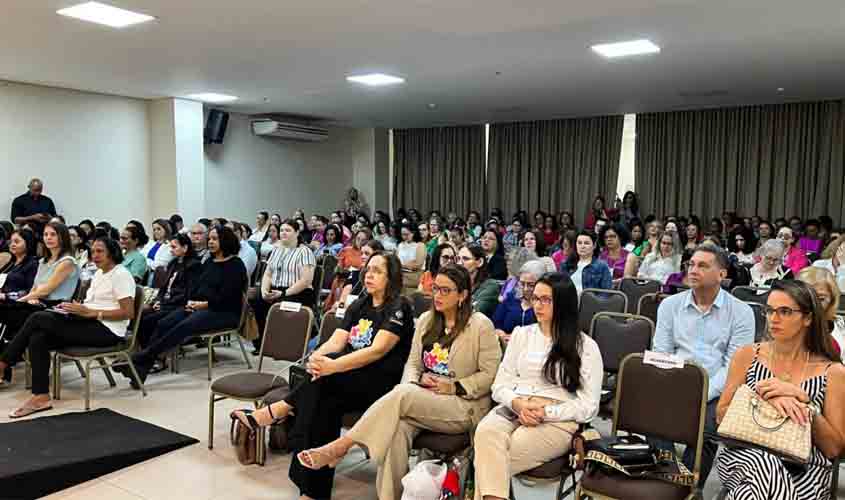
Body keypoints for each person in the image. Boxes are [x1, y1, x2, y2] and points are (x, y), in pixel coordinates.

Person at [286, 264, 500, 499]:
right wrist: (412, 383)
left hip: (462, 404)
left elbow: (489, 374)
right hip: (421, 398)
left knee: (402, 395)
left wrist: (454, 386)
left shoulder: (480, 325)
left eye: (445, 291)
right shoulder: (429, 320)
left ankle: (341, 446)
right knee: (396, 429)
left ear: (463, 295)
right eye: (435, 288)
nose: (437, 295)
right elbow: (413, 364)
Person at [231, 252, 415, 499]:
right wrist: (318, 356)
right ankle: (312, 490)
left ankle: (278, 411)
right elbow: (338, 340)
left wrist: (331, 366)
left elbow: (376, 351)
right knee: (320, 404)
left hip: (379, 383)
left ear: (391, 277)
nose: (369, 275)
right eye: (368, 269)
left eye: (378, 271)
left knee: (323, 383)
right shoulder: (360, 304)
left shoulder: (398, 307)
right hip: (345, 377)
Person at [475, 272, 603, 500]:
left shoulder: (586, 347)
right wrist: (518, 404)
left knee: (491, 459)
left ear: (563, 304)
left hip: (558, 418)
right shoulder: (521, 335)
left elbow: (589, 406)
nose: (538, 305)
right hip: (516, 406)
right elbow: (499, 385)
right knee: (485, 433)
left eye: (546, 299)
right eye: (535, 298)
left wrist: (546, 413)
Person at [715, 280, 844, 499]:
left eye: (785, 311)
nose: (773, 319)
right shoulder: (748, 355)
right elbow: (721, 415)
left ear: (808, 318)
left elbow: (833, 449)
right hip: (743, 456)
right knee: (764, 463)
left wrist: (805, 404)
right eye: (770, 310)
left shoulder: (833, 372)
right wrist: (769, 400)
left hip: (806, 469)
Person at [653, 245, 755, 486]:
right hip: (673, 380)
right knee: (649, 408)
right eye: (691, 265)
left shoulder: (741, 312)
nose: (693, 270)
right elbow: (662, 353)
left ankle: (689, 486)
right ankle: (667, 478)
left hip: (717, 388)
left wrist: (701, 393)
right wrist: (675, 388)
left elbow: (733, 366)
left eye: (703, 265)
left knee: (707, 427)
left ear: (721, 274)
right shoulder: (669, 305)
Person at [0, 237, 135, 413]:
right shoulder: (100, 274)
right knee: (38, 337)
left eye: (100, 251)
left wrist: (92, 313)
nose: (95, 255)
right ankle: (41, 396)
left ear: (113, 253)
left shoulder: (121, 275)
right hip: (89, 320)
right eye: (93, 251)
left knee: (38, 318)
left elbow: (128, 313)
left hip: (108, 330)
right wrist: (76, 309)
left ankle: (3, 364)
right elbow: (91, 306)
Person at [122, 226, 248, 385]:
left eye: (215, 239)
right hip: (201, 306)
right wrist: (192, 302)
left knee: (184, 326)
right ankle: (142, 368)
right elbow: (198, 288)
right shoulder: (210, 261)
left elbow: (228, 298)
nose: (210, 242)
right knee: (164, 322)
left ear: (226, 240)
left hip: (224, 312)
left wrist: (202, 304)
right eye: (209, 238)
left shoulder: (235, 265)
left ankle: (142, 358)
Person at [0, 223, 80, 339]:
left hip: (54, 306)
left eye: (53, 234)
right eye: (45, 234)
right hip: (38, 303)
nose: (48, 237)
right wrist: (31, 297)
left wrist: (22, 300)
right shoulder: (43, 261)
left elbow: (46, 290)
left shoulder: (67, 262)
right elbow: (35, 286)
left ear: (62, 237)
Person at [251, 219, 316, 351]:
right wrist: (264, 291)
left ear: (297, 232)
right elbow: (268, 274)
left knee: (282, 303)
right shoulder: (277, 250)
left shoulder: (304, 252)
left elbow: (306, 280)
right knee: (256, 300)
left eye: (288, 230)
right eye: (281, 230)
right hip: (276, 289)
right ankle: (262, 344)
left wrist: (284, 293)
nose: (283, 233)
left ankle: (284, 345)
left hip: (298, 292)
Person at [135, 234, 202, 351]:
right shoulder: (173, 263)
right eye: (170, 247)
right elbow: (163, 288)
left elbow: (188, 293)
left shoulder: (194, 266)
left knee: (152, 321)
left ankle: (154, 354)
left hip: (179, 305)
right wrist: (158, 300)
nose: (171, 251)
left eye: (174, 247)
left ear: (185, 248)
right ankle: (145, 351)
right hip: (166, 302)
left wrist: (164, 303)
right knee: (140, 317)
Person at [492, 259, 544, 344]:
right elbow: (495, 323)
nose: (525, 289)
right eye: (522, 283)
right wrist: (500, 333)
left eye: (531, 285)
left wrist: (516, 337)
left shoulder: (545, 304)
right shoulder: (511, 298)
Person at [559, 231, 613, 295]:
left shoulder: (602, 266)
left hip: (590, 303)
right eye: (579, 243)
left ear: (594, 245)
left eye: (586, 243)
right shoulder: (566, 264)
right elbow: (560, 288)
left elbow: (606, 293)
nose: (582, 246)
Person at [336, 240, 384, 310]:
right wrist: (340, 306)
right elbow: (343, 300)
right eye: (361, 253)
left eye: (367, 254)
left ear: (377, 256)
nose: (362, 256)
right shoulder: (354, 274)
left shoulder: (382, 278)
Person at [458, 245, 499, 318]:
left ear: (480, 262)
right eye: (458, 259)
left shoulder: (491, 286)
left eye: (466, 259)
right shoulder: (456, 283)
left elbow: (474, 312)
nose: (459, 263)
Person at [397, 223, 426, 295]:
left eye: (406, 234)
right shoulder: (400, 245)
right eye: (402, 234)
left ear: (413, 233)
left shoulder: (420, 245)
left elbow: (417, 265)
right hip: (401, 274)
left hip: (415, 275)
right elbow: (396, 262)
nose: (404, 237)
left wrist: (402, 265)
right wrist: (407, 264)